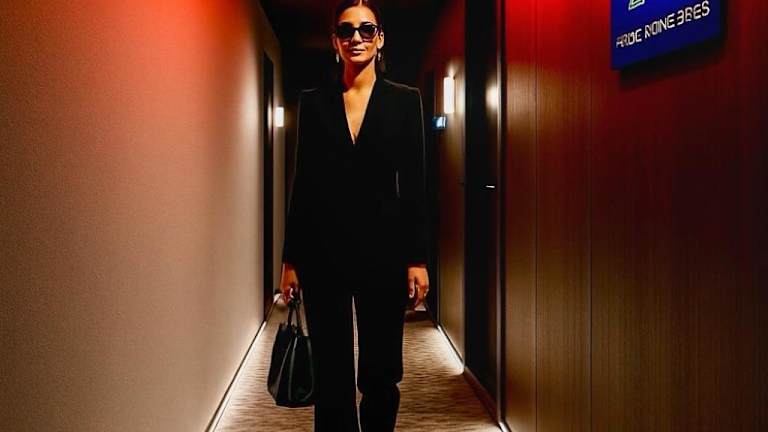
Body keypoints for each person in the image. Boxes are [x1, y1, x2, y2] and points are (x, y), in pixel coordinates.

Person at [278, 1, 430, 430]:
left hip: (384, 253)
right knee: (332, 373)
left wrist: (417, 258)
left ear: (380, 39)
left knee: (382, 372)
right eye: (346, 31)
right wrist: (291, 261)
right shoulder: (315, 103)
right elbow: (303, 185)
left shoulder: (404, 102)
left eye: (366, 30)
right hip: (323, 253)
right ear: (335, 42)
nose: (356, 38)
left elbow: (414, 186)